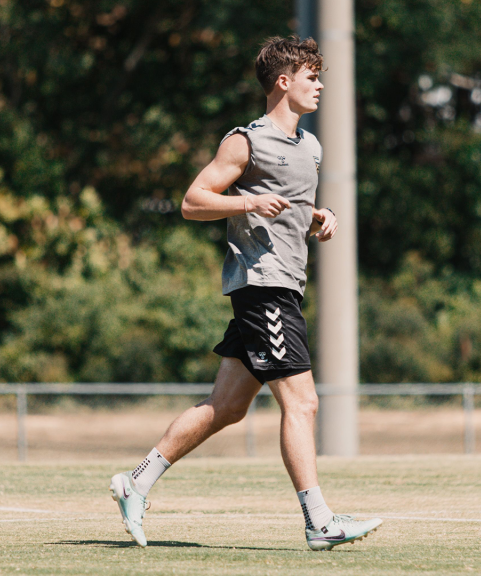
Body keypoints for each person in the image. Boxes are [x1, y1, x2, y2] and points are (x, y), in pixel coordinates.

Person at [109, 36, 381, 551]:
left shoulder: (311, 145)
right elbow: (193, 202)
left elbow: (295, 208)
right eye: (311, 77)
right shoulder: (245, 141)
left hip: (286, 284)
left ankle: (135, 482)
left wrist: (318, 219)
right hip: (262, 287)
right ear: (284, 82)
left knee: (226, 407)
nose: (320, 85)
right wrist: (247, 203)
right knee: (303, 403)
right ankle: (319, 521)